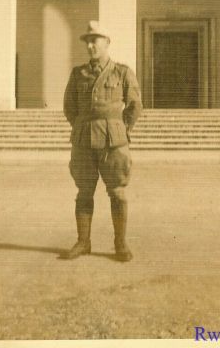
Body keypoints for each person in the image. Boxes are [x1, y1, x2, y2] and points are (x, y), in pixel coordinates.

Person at [61, 20, 142, 261]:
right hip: (84, 141)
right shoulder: (78, 74)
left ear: (107, 42)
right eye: (87, 41)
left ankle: (120, 244)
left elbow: (135, 105)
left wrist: (120, 128)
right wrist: (82, 127)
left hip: (113, 142)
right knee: (84, 192)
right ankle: (83, 242)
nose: (90, 46)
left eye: (94, 40)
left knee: (117, 192)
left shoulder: (122, 72)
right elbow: (69, 107)